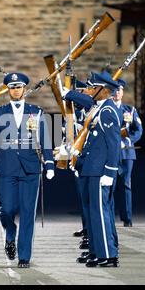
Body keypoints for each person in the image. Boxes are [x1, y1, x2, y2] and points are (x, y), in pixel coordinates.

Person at [0, 73, 55, 268]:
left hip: (30, 169)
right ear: (8, 90)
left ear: (24, 89)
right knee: (6, 210)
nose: (15, 90)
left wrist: (49, 164)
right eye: (12, 87)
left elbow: (45, 139)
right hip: (6, 168)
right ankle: (9, 233)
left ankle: (24, 256)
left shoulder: (36, 112)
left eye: (18, 87)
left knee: (27, 213)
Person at [63, 71, 122, 267]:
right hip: (91, 168)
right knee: (92, 214)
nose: (88, 91)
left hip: (100, 171)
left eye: (91, 88)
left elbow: (113, 145)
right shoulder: (98, 109)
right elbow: (90, 141)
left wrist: (110, 172)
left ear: (102, 91)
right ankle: (97, 252)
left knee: (100, 213)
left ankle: (108, 255)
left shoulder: (107, 111)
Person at [112, 79, 143, 227]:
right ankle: (109, 216)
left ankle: (127, 218)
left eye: (119, 90)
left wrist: (130, 139)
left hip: (126, 153)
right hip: (111, 152)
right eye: (114, 90)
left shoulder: (130, 110)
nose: (117, 93)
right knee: (109, 185)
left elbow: (138, 129)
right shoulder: (107, 109)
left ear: (122, 92)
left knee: (126, 184)